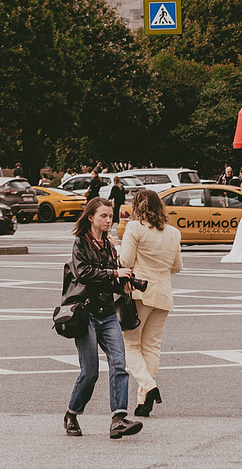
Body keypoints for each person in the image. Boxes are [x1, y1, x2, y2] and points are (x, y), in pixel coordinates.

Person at [61, 199, 142, 439]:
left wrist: (123, 281)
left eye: (110, 216)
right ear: (91, 217)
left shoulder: (108, 244)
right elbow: (83, 273)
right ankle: (72, 413)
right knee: (90, 372)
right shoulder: (81, 243)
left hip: (107, 313)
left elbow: (109, 278)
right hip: (86, 314)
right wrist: (114, 273)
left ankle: (118, 419)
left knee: (119, 363)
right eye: (103, 216)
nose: (108, 220)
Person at [116, 187, 181, 419]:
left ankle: (149, 386)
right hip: (163, 294)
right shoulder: (173, 233)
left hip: (140, 292)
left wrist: (117, 247)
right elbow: (177, 267)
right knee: (152, 347)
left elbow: (126, 260)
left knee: (130, 346)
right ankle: (143, 400)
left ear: (137, 205)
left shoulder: (134, 228)